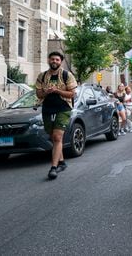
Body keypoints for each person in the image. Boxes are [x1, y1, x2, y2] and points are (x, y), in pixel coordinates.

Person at [35, 51, 77, 180]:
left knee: (57, 137)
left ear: (61, 61)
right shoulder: (42, 76)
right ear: (48, 60)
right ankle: (62, 162)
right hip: (47, 108)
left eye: (57, 60)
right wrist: (46, 92)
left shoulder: (66, 75)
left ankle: (53, 168)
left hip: (63, 108)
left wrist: (57, 90)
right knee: (52, 137)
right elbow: (38, 94)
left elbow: (72, 94)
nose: (54, 61)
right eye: (52, 59)